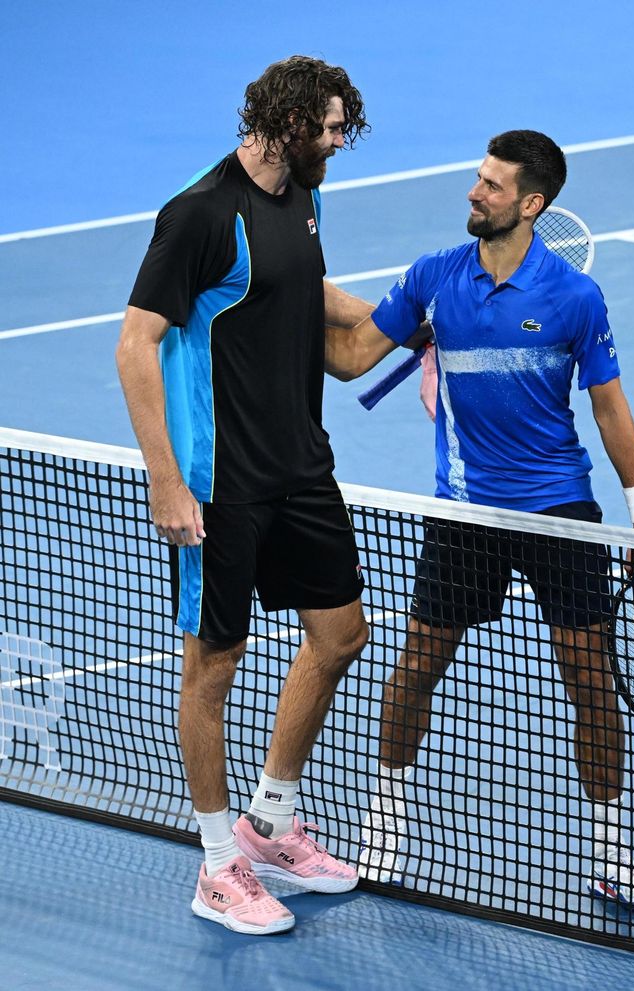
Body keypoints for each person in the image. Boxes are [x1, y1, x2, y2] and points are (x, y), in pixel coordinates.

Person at [325, 130, 634, 911]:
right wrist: (289, 287)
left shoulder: (575, 297)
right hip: (466, 509)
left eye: (491, 184)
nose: (474, 192)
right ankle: (386, 820)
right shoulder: (434, 277)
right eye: (478, 178)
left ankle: (610, 852)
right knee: (418, 665)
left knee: (590, 679)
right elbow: (350, 358)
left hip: (559, 509)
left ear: (531, 203)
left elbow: (609, 408)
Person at [116, 55, 392, 935]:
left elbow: (304, 292)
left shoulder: (303, 196)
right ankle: (217, 863)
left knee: (341, 634)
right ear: (289, 123)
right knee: (215, 666)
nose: (340, 143)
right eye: (332, 129)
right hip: (220, 481)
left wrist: (401, 315)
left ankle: (269, 823)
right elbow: (134, 343)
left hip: (301, 466)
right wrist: (166, 479)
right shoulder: (200, 214)